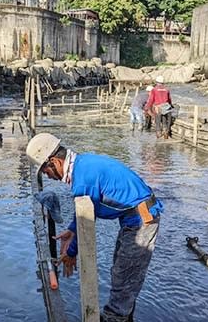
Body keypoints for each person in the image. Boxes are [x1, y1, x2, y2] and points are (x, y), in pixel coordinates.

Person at [26, 133, 164, 322]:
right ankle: (123, 315)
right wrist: (72, 230)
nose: (48, 177)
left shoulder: (83, 178)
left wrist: (71, 252)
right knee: (121, 273)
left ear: (54, 162)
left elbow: (87, 220)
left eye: (45, 171)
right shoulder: (82, 166)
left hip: (141, 218)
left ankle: (115, 318)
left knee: (125, 276)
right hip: (132, 217)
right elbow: (85, 207)